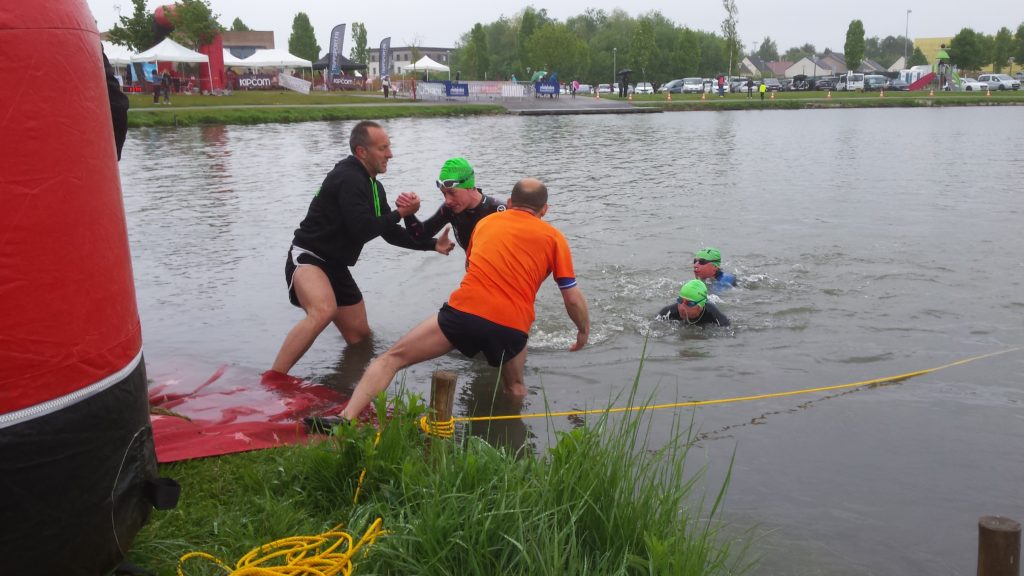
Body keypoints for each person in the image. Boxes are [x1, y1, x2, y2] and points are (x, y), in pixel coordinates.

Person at [339, 177, 590, 421]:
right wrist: (582, 331)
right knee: (515, 387)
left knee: (391, 359)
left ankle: (346, 418)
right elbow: (572, 298)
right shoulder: (555, 238)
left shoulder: (485, 224)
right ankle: (509, 439)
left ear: (510, 202)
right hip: (512, 326)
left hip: (463, 315)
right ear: (545, 209)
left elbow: (472, 266)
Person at [268, 121, 455, 378]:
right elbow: (362, 229)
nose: (390, 154)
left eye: (389, 147)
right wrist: (401, 212)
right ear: (361, 152)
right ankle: (273, 379)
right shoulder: (348, 177)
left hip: (336, 266)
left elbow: (388, 233)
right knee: (323, 310)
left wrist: (432, 244)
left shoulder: (373, 186)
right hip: (308, 257)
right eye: (383, 148)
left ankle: (342, 385)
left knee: (360, 338)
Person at [399, 157, 506, 259]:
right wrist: (408, 211)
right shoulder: (450, 210)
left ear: (469, 186)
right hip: (474, 274)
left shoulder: (499, 211)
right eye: (444, 194)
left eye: (452, 192)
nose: (447, 201)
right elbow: (420, 236)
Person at [656, 280, 730, 327]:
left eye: (689, 303)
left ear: (700, 306)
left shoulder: (713, 314)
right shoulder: (668, 312)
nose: (682, 307)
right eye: (680, 300)